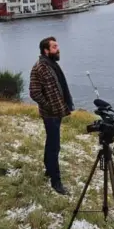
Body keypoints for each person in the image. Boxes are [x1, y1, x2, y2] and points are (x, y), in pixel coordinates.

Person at [29, 36, 74, 195]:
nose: (58, 49)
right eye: (54, 47)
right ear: (46, 50)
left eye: (57, 46)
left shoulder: (52, 65)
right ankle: (56, 182)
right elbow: (34, 92)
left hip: (57, 112)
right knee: (55, 146)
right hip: (50, 114)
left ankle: (49, 170)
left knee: (51, 143)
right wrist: (48, 105)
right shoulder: (40, 67)